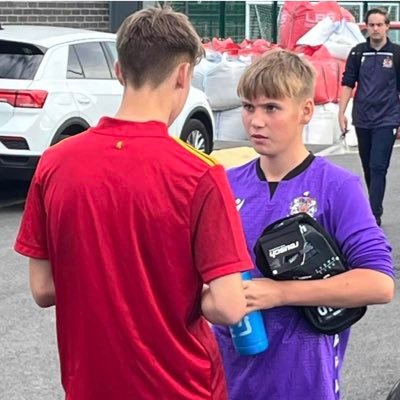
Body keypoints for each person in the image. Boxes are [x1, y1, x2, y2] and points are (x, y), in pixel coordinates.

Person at [14, 7, 253, 400]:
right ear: (182, 75)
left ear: (119, 70)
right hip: (181, 386)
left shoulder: (55, 163)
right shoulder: (199, 173)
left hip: (90, 385)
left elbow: (43, 289)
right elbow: (228, 307)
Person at [213, 49, 395, 400]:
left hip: (304, 379)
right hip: (228, 376)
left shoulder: (337, 187)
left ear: (306, 111)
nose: (256, 121)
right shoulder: (224, 185)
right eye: (249, 107)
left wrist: (281, 293)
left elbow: (379, 283)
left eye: (271, 108)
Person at [338, 7, 400, 227]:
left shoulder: (396, 53)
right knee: (367, 166)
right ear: (366, 26)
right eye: (371, 25)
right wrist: (341, 112)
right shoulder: (357, 52)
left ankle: (373, 215)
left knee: (378, 166)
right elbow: (347, 84)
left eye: (379, 24)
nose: (375, 29)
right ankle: (373, 208)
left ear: (387, 26)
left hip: (388, 118)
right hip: (363, 118)